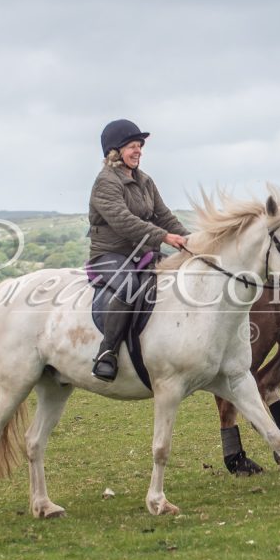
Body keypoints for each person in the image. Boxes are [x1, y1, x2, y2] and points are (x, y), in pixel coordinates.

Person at [87, 119, 190, 381]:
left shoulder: (144, 180)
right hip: (109, 255)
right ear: (115, 151)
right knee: (128, 287)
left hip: (142, 254)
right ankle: (107, 352)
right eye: (132, 146)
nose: (138, 151)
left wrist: (191, 240)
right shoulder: (105, 182)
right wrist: (163, 236)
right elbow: (123, 221)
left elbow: (164, 216)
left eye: (140, 146)